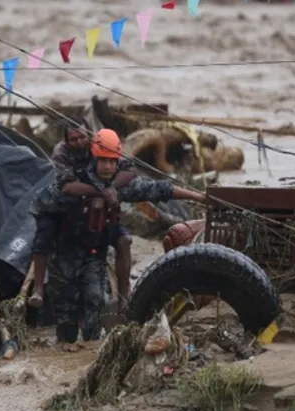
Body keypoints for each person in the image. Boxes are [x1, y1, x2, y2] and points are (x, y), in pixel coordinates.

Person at [44, 128, 207, 351]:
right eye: (103, 161)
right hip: (64, 257)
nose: (108, 167)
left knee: (95, 301)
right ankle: (64, 355)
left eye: (112, 162)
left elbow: (159, 189)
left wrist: (198, 196)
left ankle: (93, 348)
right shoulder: (74, 178)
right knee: (66, 322)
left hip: (93, 255)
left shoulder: (117, 185)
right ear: (94, 157)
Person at [27, 117, 136, 308]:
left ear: (90, 136)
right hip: (61, 203)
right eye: (73, 139)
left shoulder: (100, 145)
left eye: (82, 138)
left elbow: (130, 169)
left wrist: (111, 188)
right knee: (44, 234)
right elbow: (68, 186)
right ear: (67, 141)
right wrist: (102, 191)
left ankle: (124, 297)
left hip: (95, 204)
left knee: (123, 239)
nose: (79, 142)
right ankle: (38, 289)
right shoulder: (61, 152)